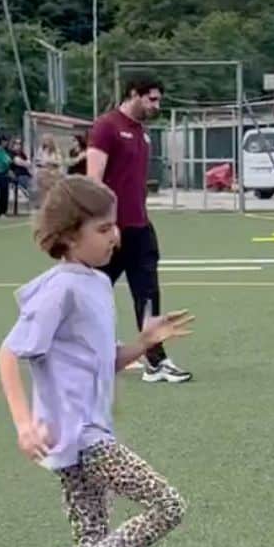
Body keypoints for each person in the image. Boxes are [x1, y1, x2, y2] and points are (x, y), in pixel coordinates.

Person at [0, 176, 194, 547]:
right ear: (70, 235)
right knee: (167, 505)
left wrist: (144, 344)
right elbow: (9, 353)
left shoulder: (95, 283)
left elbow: (102, 362)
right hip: (79, 436)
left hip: (87, 434)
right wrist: (23, 422)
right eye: (103, 228)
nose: (115, 236)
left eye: (114, 225)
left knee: (88, 545)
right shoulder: (59, 289)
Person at [88, 76, 193, 383]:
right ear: (134, 94)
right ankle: (78, 350)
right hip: (111, 231)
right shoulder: (107, 127)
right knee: (90, 292)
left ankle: (155, 360)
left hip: (139, 228)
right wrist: (106, 225)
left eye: (158, 100)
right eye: (152, 99)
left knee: (147, 293)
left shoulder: (141, 134)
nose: (156, 106)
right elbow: (93, 180)